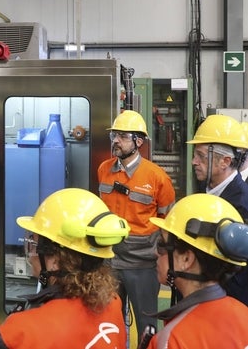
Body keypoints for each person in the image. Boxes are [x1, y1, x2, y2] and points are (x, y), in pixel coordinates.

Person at [0, 188, 130, 349]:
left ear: (56, 261)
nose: (31, 253)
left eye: (34, 244)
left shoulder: (19, 331)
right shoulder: (112, 303)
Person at [97, 110, 175, 336]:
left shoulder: (157, 178)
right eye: (114, 136)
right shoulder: (104, 170)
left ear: (138, 141)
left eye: (122, 136)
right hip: (110, 261)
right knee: (109, 323)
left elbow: (166, 222)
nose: (116, 141)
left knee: (146, 326)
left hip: (143, 265)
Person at [146, 193, 248, 348]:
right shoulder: (243, 314)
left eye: (162, 245)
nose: (156, 252)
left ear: (186, 259)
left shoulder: (171, 340)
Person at [186, 114, 248, 305]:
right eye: (195, 155)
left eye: (201, 156)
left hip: (225, 305)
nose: (194, 162)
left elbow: (237, 274)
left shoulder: (242, 205)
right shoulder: (207, 191)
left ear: (226, 162)